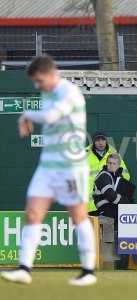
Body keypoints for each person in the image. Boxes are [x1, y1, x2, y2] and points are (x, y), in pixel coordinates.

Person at [1, 55, 96, 285]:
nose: (37, 85)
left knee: (78, 216)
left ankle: (88, 271)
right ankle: (24, 268)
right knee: (32, 213)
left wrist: (26, 114)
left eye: (38, 80)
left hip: (71, 168)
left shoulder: (69, 92)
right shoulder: (46, 94)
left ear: (51, 74)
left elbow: (52, 116)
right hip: (47, 167)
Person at [86, 131, 131, 213]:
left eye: (103, 139)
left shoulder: (113, 155)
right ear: (93, 141)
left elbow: (125, 176)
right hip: (87, 205)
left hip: (107, 205)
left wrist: (114, 195)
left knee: (106, 225)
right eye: (97, 140)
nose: (100, 142)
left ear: (106, 140)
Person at [92, 153, 135, 220]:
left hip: (112, 209)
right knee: (109, 229)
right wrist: (125, 202)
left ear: (118, 165)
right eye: (109, 163)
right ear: (106, 163)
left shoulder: (117, 177)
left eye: (114, 163)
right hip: (105, 210)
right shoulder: (104, 175)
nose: (111, 165)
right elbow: (110, 195)